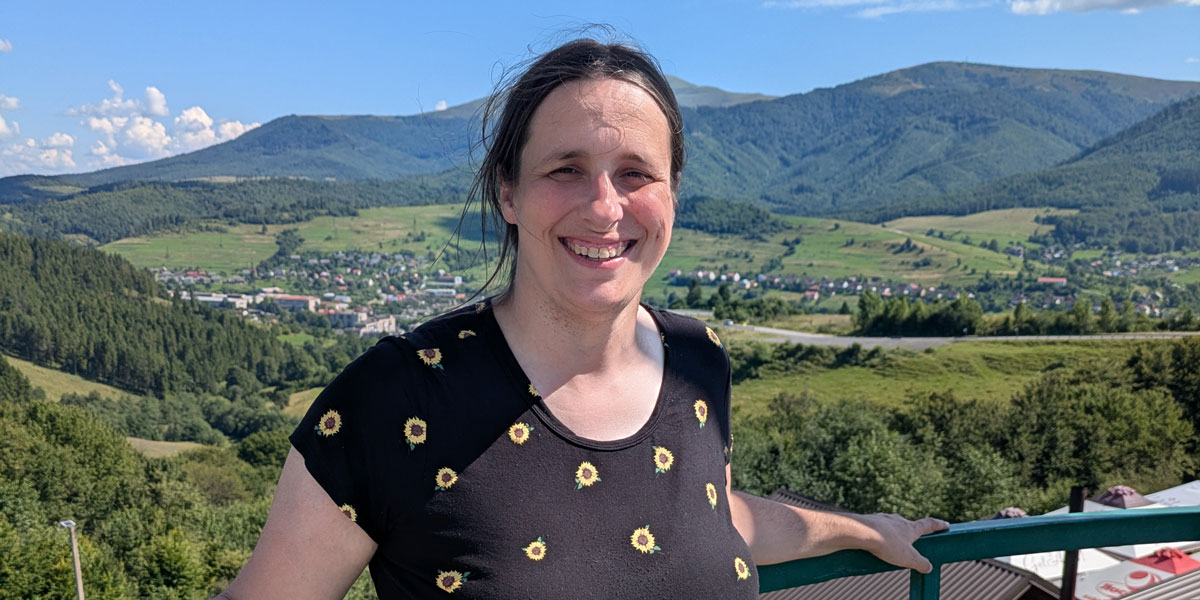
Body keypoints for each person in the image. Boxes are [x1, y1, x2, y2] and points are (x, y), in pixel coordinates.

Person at [217, 37, 948, 599]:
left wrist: (861, 529)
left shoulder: (698, 361)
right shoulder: (395, 398)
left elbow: (712, 513)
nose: (604, 207)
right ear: (507, 192)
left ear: (673, 193)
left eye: (636, 173)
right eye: (565, 169)